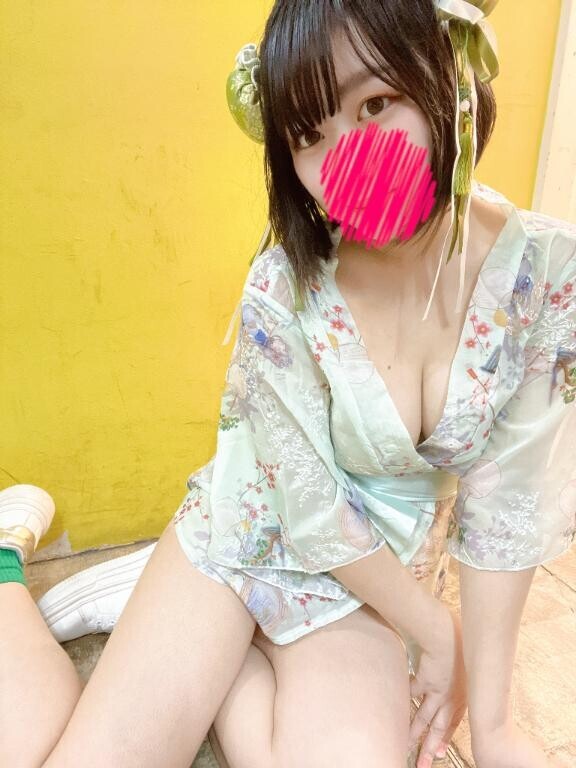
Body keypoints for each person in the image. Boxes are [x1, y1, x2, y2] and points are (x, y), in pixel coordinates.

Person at [2, 2, 575, 767]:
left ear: (451, 76)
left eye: (377, 102)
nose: (346, 161)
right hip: (246, 529)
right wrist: (439, 633)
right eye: (308, 134)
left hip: (370, 582)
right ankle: (8, 562)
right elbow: (307, 507)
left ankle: (219, 659)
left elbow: (509, 506)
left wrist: (496, 724)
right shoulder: (282, 286)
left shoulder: (546, 276)